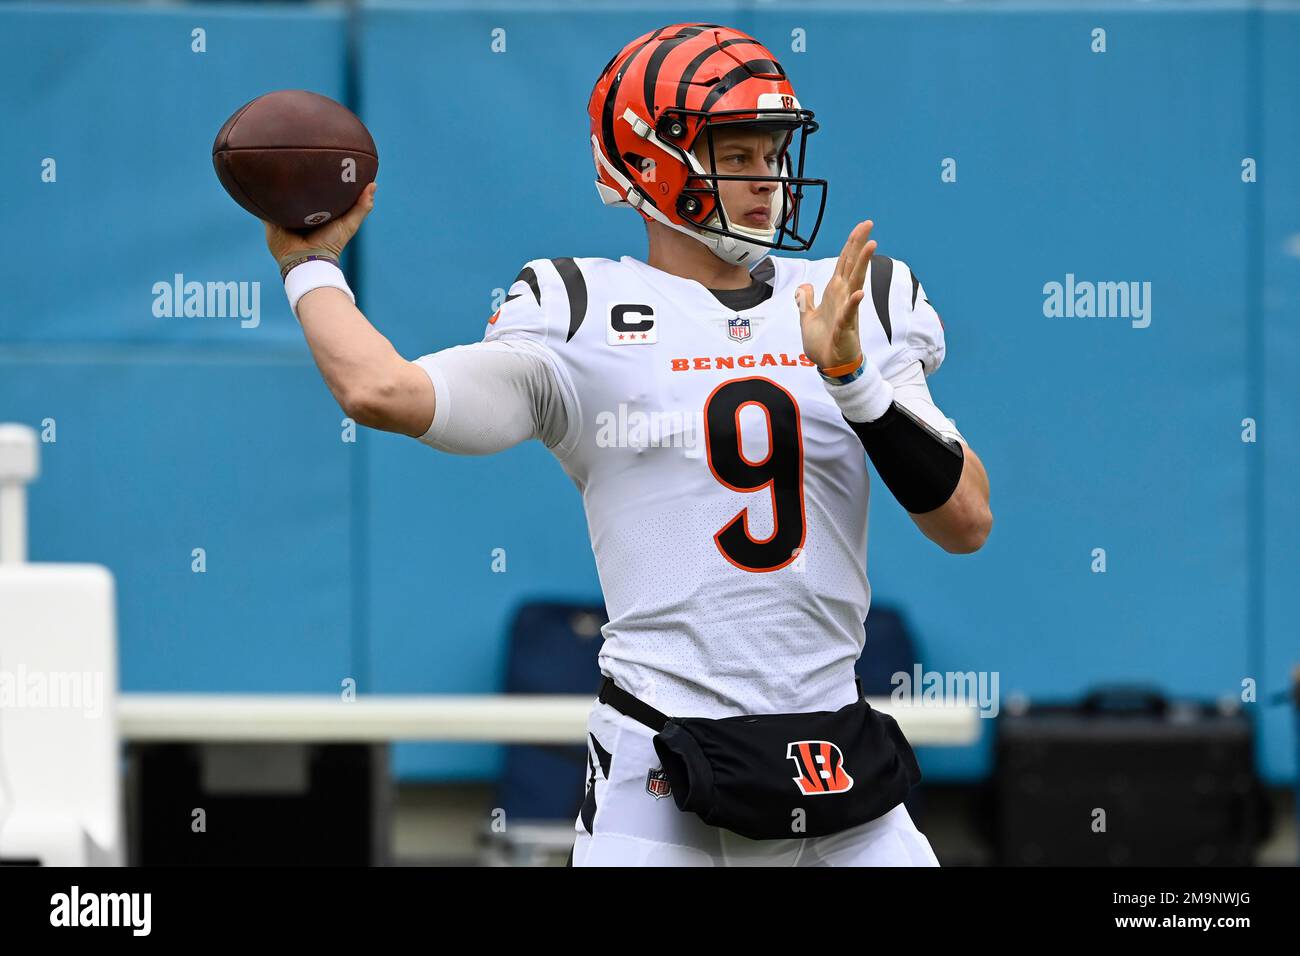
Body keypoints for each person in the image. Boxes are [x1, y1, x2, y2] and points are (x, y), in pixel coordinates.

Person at [263, 23, 992, 867]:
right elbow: (382, 391)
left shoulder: (850, 298)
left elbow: (966, 520)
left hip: (833, 757)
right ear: (651, 161)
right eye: (738, 153)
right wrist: (310, 266)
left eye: (774, 152)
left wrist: (853, 379)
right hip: (659, 763)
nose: (769, 180)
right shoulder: (579, 309)